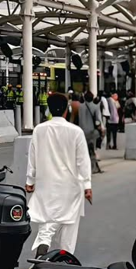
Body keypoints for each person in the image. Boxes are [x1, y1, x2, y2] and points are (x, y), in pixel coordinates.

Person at [25, 93, 92, 258]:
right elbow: (82, 161)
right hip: (70, 187)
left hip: (46, 186)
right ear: (66, 110)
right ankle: (64, 257)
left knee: (47, 224)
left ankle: (43, 247)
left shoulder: (39, 130)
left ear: (48, 109)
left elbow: (32, 157)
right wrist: (87, 186)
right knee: (68, 229)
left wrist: (30, 180)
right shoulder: (75, 131)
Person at [76, 90, 104, 174]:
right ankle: (93, 168)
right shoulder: (95, 107)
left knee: (83, 151)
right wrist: (101, 130)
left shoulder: (80, 107)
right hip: (91, 132)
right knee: (92, 150)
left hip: (81, 132)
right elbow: (98, 121)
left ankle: (83, 168)